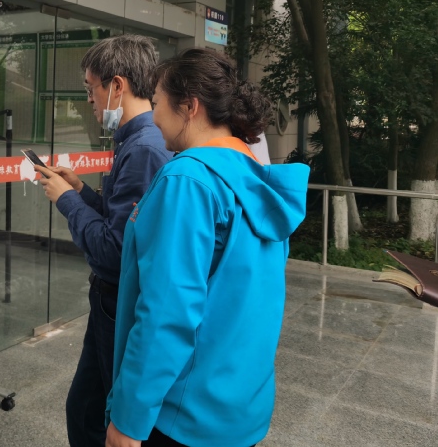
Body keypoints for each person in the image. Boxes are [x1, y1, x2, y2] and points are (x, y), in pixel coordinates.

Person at [105, 48, 309, 447]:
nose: (153, 117)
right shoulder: (258, 178)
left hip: (183, 414)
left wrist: (129, 418)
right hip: (241, 409)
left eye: (157, 104)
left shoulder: (188, 179)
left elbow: (167, 310)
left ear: (189, 106)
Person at [34, 34, 173, 447]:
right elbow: (123, 223)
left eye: (90, 89)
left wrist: (66, 202)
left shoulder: (143, 148)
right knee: (84, 408)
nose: (90, 101)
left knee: (95, 414)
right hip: (109, 301)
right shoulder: (135, 140)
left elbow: (115, 251)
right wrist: (80, 191)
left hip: (117, 299)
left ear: (117, 85)